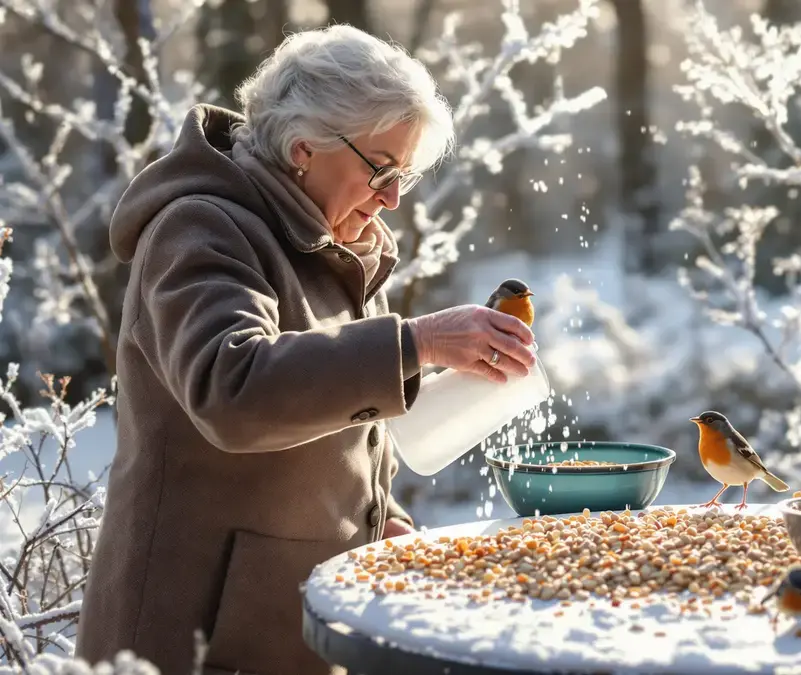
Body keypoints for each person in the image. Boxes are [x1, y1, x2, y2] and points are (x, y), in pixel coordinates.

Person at [76, 24, 536, 675]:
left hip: (285, 623)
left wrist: (382, 520)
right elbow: (233, 387)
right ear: (303, 150)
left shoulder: (331, 244)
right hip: (192, 635)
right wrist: (417, 341)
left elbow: (336, 423)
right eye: (381, 170)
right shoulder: (200, 228)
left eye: (404, 175)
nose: (394, 199)